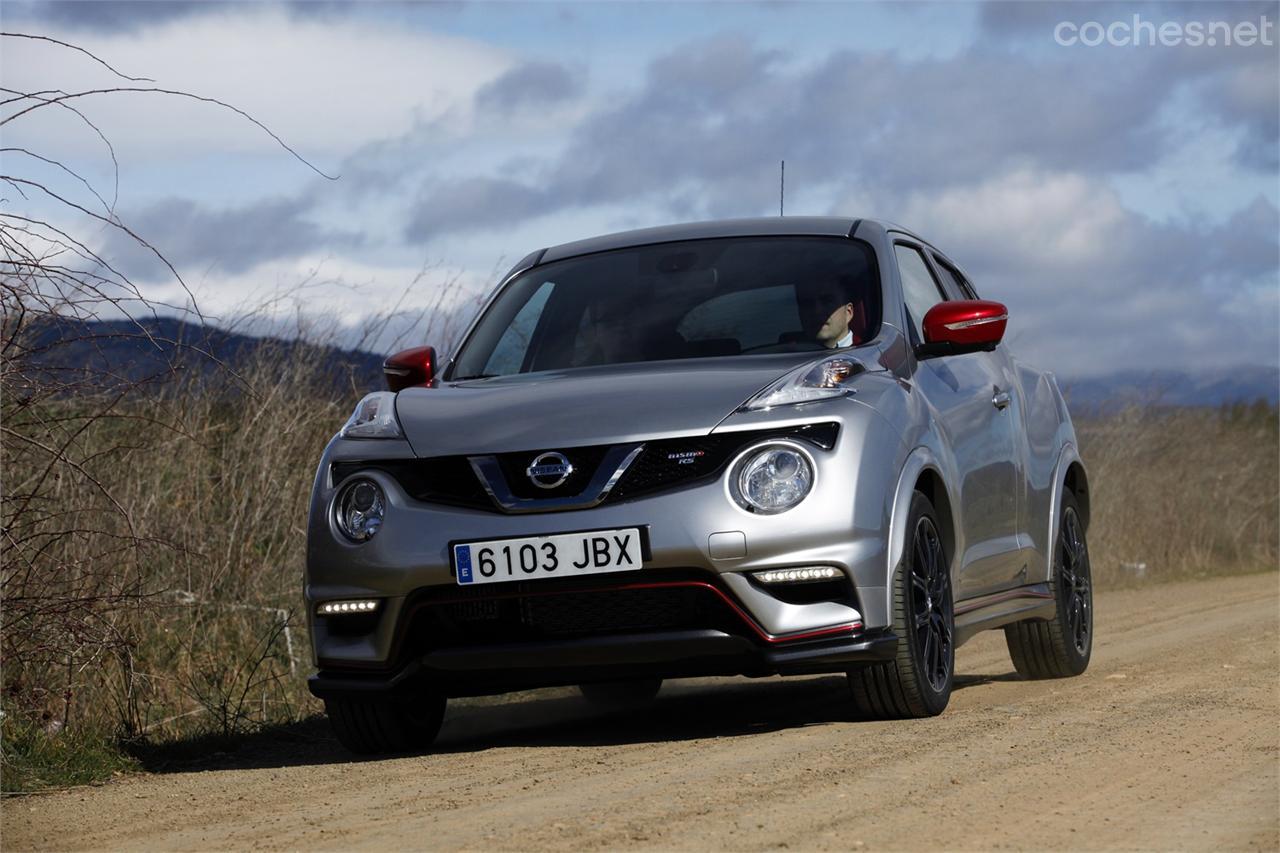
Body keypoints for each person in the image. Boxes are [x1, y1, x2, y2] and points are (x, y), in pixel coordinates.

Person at [796, 274, 865, 348]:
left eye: (827, 301)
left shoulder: (867, 355)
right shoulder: (790, 355)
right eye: (807, 303)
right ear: (800, 314)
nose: (817, 311)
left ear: (848, 312)